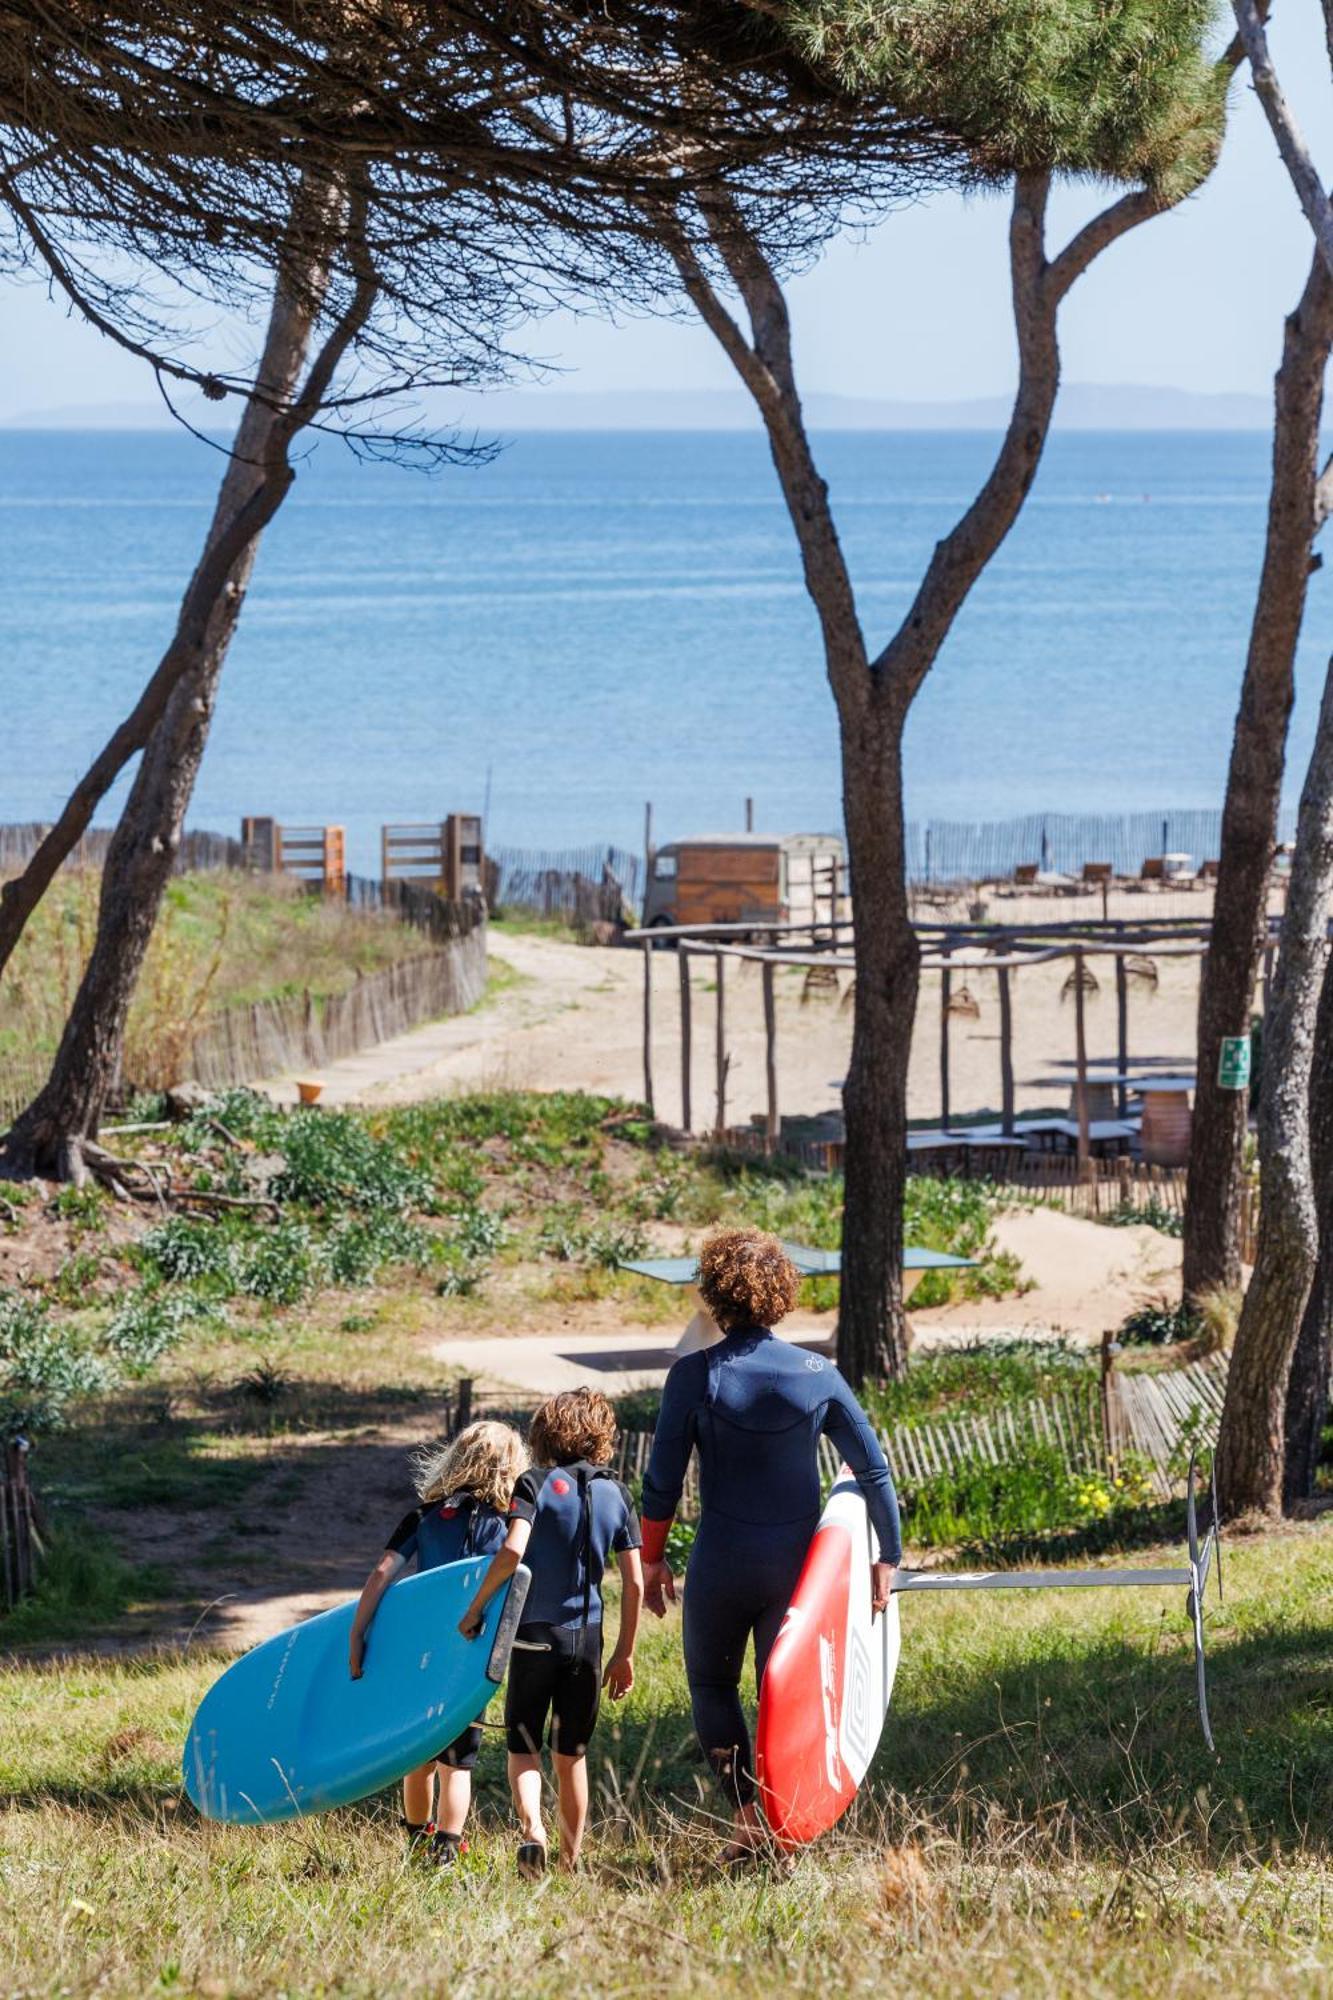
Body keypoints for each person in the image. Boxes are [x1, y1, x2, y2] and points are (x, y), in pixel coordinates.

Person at [639, 1227, 901, 1862]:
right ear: (781, 1293)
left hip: (720, 1563)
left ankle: (748, 1818)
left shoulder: (693, 1376)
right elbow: (873, 1472)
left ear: (715, 1295)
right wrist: (886, 1556)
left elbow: (660, 1484)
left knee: (711, 1687)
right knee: (784, 1693)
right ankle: (791, 1824)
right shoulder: (819, 1375)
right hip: (792, 1568)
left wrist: (649, 1562)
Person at [459, 1388, 643, 1876]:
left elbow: (512, 1553)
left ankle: (532, 1832)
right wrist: (624, 1653)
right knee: (572, 1757)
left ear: (546, 1432)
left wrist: (476, 1608)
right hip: (588, 1638)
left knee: (523, 1748)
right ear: (600, 1436)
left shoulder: (533, 1484)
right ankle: (569, 1863)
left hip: (534, 1635)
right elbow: (636, 1583)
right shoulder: (618, 1493)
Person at [349, 1418, 527, 1864]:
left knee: (416, 1750)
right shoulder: (510, 1521)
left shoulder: (425, 1515)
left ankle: (415, 1839)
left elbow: (381, 1573)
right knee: (458, 1760)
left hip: (418, 1651)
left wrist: (358, 1632)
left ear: (455, 1460)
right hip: (470, 1652)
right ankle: (448, 1846)